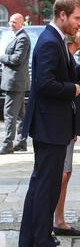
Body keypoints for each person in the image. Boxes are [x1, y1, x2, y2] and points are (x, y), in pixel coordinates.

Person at [18, 0, 80, 247]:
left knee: (41, 185)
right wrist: (74, 89)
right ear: (63, 14)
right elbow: (45, 85)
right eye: (78, 18)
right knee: (46, 187)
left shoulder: (53, 39)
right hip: (50, 125)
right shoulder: (49, 42)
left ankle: (30, 243)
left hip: (51, 124)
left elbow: (60, 74)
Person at [53, 20, 80, 237]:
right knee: (61, 174)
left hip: (68, 125)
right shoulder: (63, 53)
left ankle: (59, 219)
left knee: (65, 174)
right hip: (59, 125)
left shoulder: (70, 56)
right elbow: (61, 84)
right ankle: (55, 221)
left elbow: (73, 74)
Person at [0, 13, 30, 155]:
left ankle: (8, 144)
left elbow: (17, 59)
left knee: (9, 114)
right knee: (19, 115)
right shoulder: (17, 36)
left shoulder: (22, 38)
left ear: (21, 23)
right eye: (10, 21)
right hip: (15, 82)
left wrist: (2, 57)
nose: (11, 24)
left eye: (14, 22)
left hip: (15, 83)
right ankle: (21, 142)